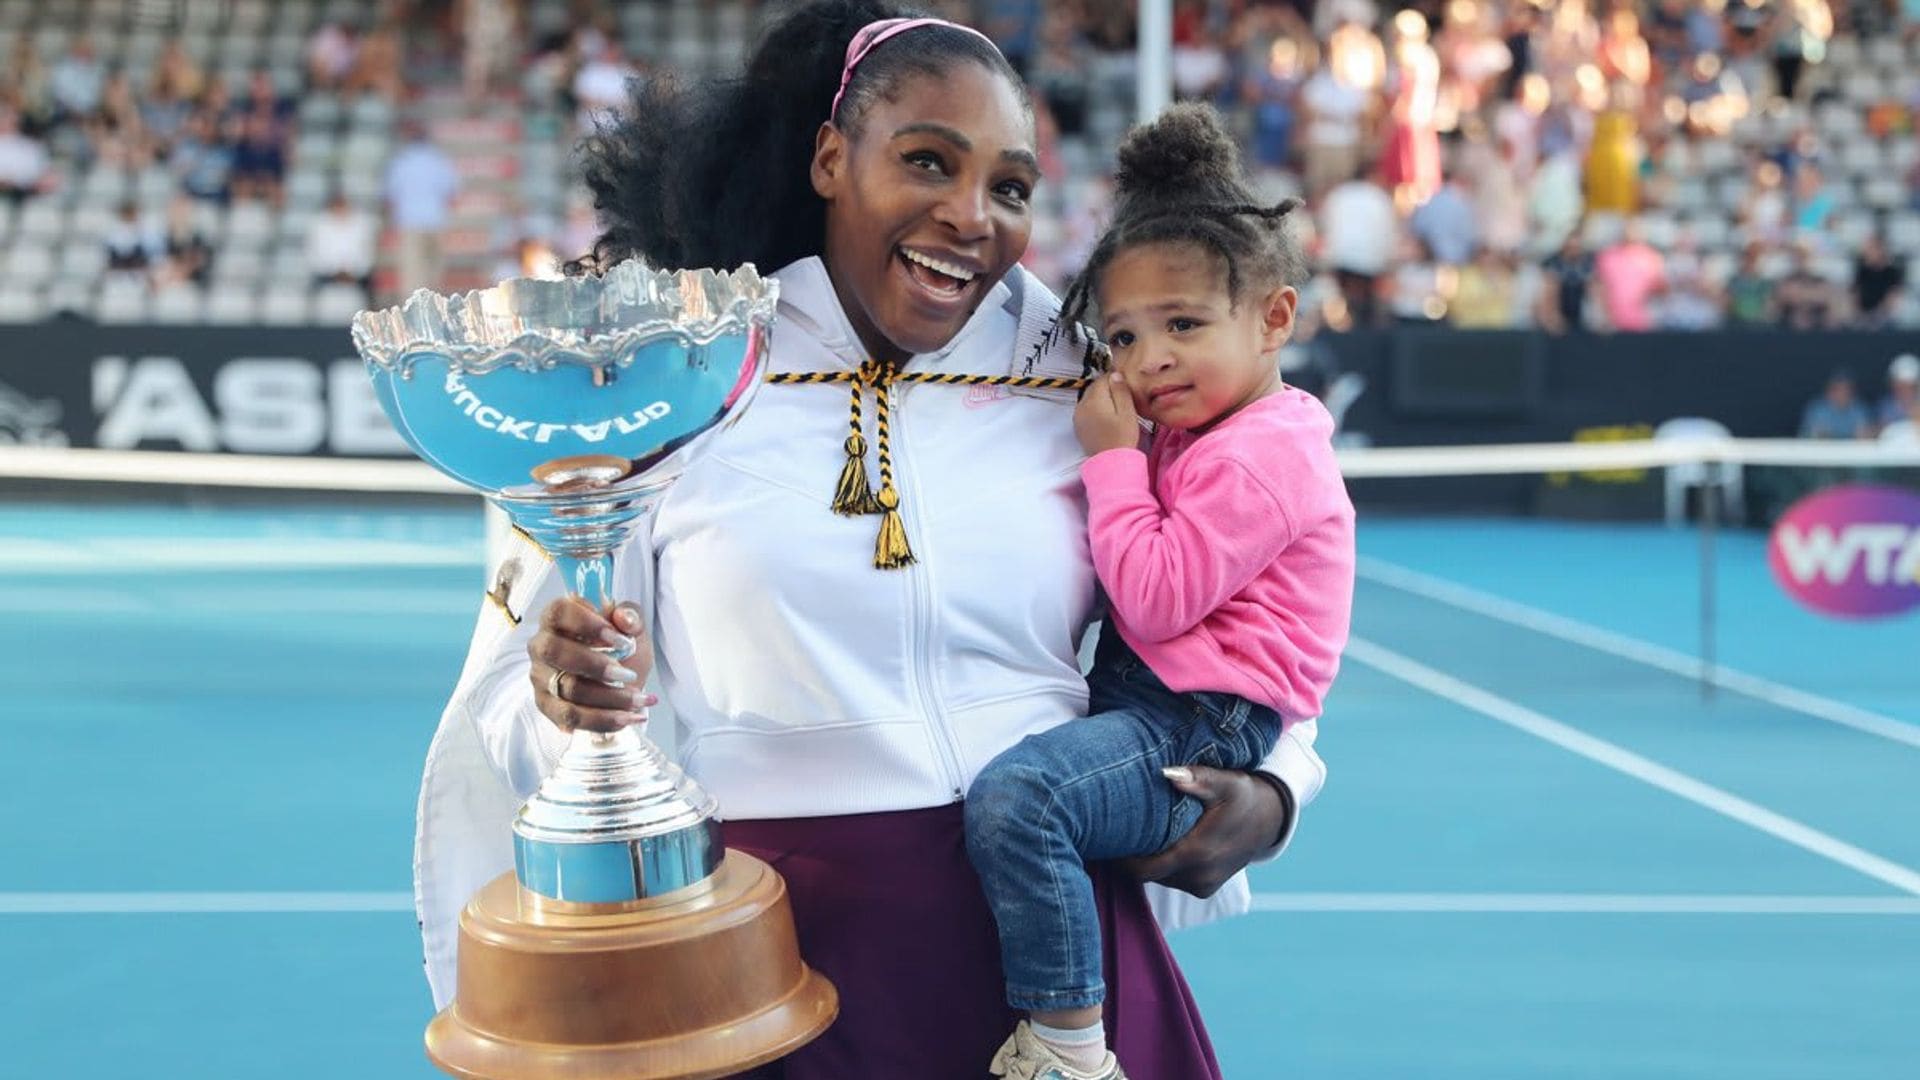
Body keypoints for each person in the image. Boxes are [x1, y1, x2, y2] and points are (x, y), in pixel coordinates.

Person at [413, 5, 1327, 1079]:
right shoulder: (668, 374)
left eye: (1011, 188)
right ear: (831, 158)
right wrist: (567, 698)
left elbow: (1261, 577)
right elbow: (522, 700)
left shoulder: (1089, 376)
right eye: (927, 162)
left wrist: (1281, 788)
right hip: (772, 966)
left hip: (1057, 968)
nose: (970, 216)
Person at [964, 103, 1354, 1080]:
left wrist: (1112, 460)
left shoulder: (1261, 453)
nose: (1149, 362)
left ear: (1273, 318)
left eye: (1183, 325)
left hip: (1199, 723)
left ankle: (1069, 1050)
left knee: (1025, 798)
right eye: (1125, 337)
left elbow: (1154, 598)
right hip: (1167, 704)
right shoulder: (1212, 428)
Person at [1800, 370, 1870, 439]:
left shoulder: (1859, 409)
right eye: (1837, 389)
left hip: (1853, 450)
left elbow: (1865, 434)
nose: (1843, 393)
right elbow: (1814, 435)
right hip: (1821, 449)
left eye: (1846, 389)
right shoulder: (1818, 409)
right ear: (1829, 391)